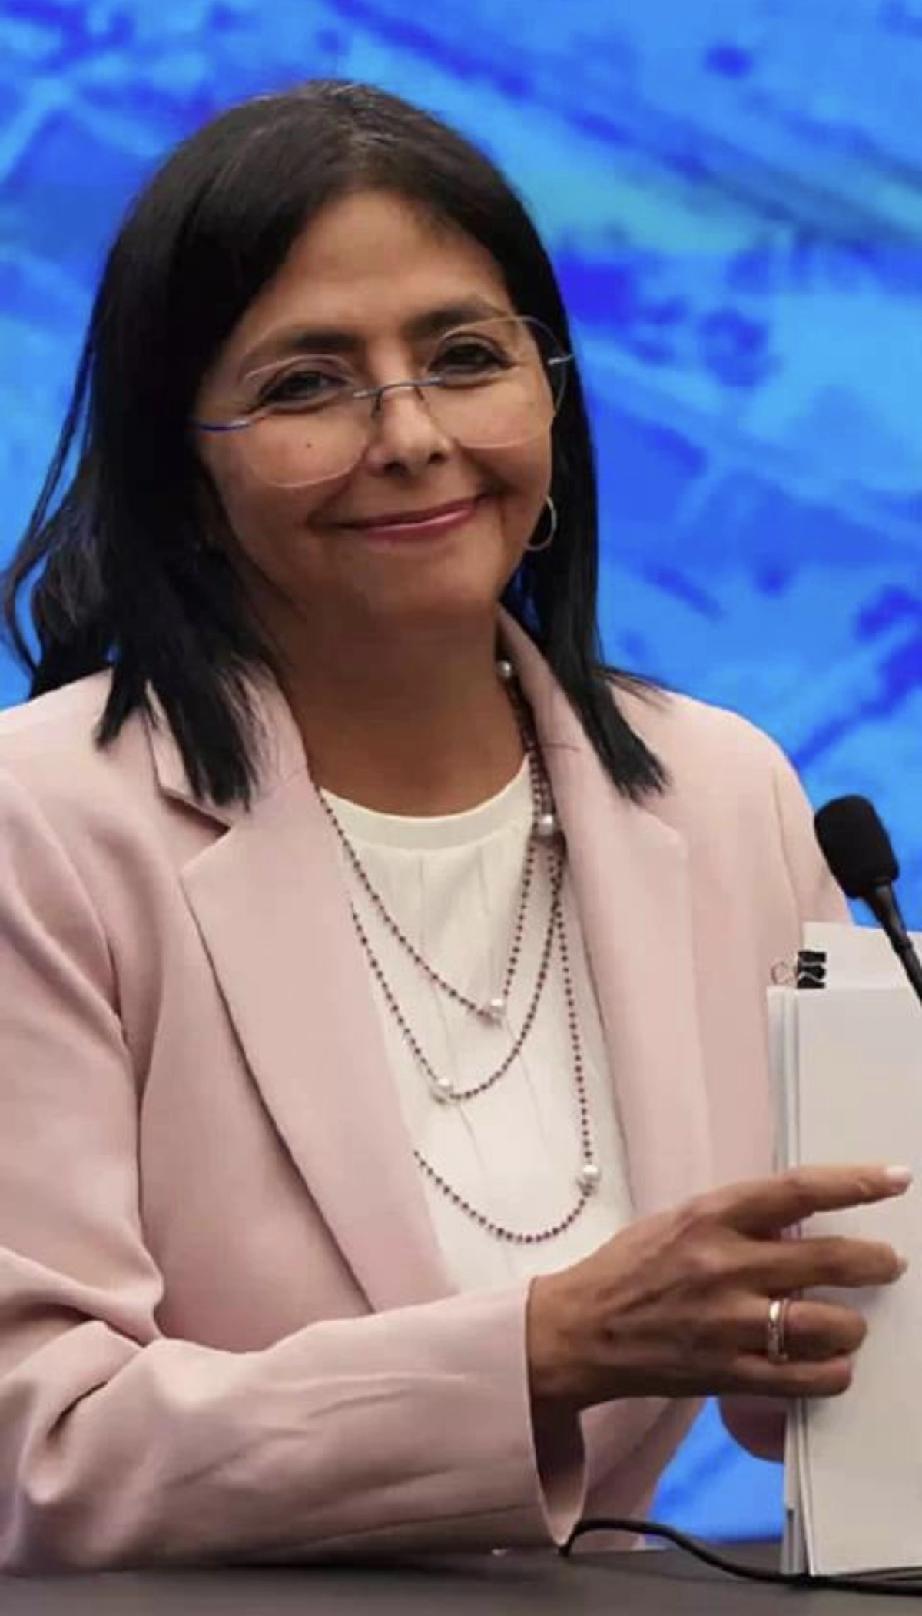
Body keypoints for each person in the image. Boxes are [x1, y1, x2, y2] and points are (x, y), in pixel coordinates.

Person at [0, 80, 909, 1574]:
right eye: (308, 384)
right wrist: (540, 1351)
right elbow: (40, 1454)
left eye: (466, 358)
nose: (412, 434)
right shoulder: (41, 829)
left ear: (550, 391)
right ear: (183, 466)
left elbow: (808, 1381)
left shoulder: (720, 789)